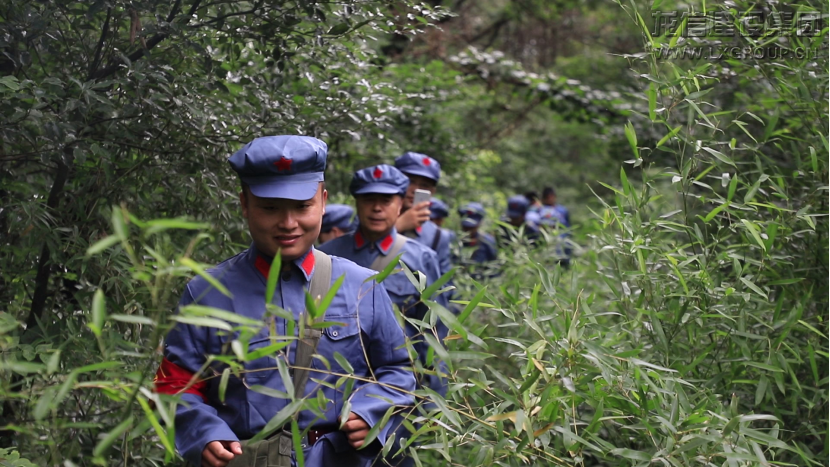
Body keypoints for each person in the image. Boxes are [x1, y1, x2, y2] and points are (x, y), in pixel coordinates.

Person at [154, 136, 415, 467]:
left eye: (302, 206)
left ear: (323, 201)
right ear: (245, 205)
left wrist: (371, 412)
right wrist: (203, 433)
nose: (288, 223)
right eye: (270, 208)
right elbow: (175, 384)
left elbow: (396, 369)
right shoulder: (207, 292)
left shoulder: (362, 286)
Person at [318, 164, 450, 396]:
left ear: (400, 204)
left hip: (401, 387)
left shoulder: (421, 258)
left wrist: (433, 406)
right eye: (369, 199)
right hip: (337, 387)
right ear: (356, 203)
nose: (377, 208)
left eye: (386, 201)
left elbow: (435, 336)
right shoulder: (326, 256)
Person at [393, 152, 452, 277]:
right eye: (410, 181)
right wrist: (397, 227)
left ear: (432, 192)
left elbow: (442, 285)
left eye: (424, 185)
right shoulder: (372, 219)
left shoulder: (437, 236)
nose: (415, 189)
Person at [457, 203, 497, 271]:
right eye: (465, 227)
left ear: (479, 223)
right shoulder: (454, 241)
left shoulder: (488, 242)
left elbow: (494, 267)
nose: (468, 231)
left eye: (472, 228)